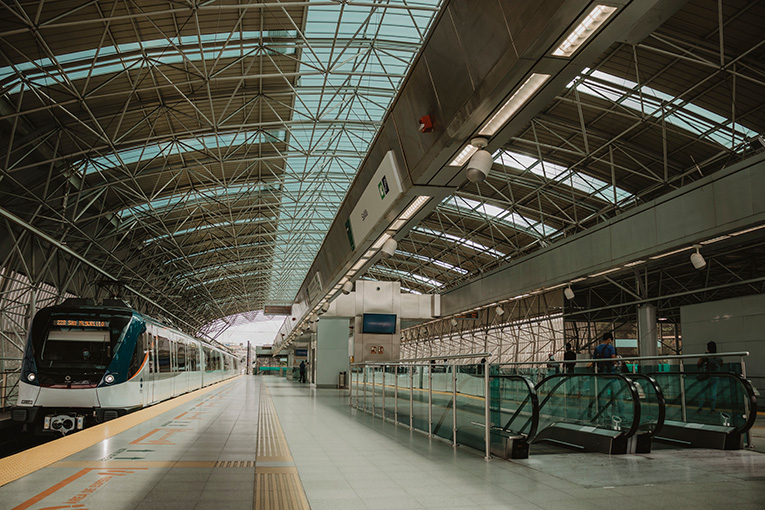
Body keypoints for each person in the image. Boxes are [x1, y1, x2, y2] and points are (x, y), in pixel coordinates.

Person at [697, 341, 723, 412]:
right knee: (713, 392)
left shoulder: (705, 356)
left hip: (705, 376)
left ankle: (700, 408)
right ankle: (712, 408)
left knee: (702, 392)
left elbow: (699, 364)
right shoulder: (718, 356)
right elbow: (721, 364)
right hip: (715, 376)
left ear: (708, 348)